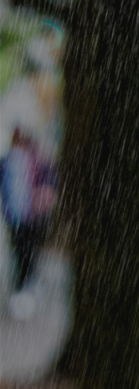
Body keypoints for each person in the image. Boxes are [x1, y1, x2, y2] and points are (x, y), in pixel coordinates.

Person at [1, 125, 57, 320]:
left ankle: (29, 288)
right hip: (15, 217)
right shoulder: (6, 161)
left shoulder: (39, 161)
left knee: (31, 253)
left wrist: (44, 195)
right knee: (19, 252)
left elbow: (50, 184)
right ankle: (22, 290)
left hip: (34, 217)